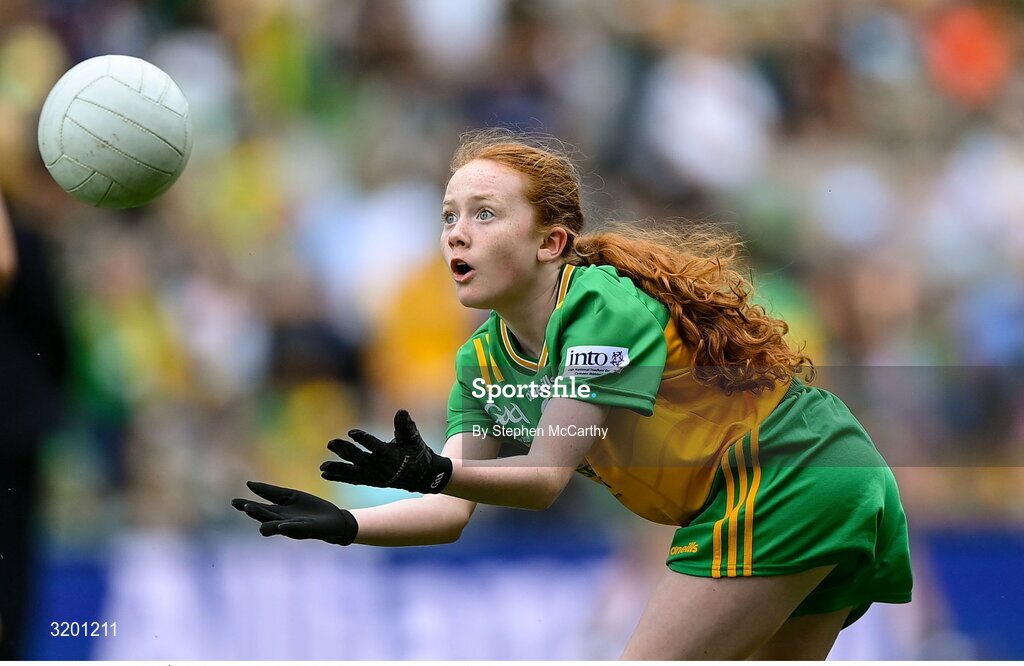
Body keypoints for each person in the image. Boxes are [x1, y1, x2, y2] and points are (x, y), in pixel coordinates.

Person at [233, 130, 912, 660]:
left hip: (788, 475)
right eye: (448, 216)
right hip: (829, 477)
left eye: (485, 214)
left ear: (551, 242)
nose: (456, 234)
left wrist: (434, 470)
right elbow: (450, 513)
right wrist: (347, 524)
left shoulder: (597, 308)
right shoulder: (481, 361)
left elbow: (545, 478)